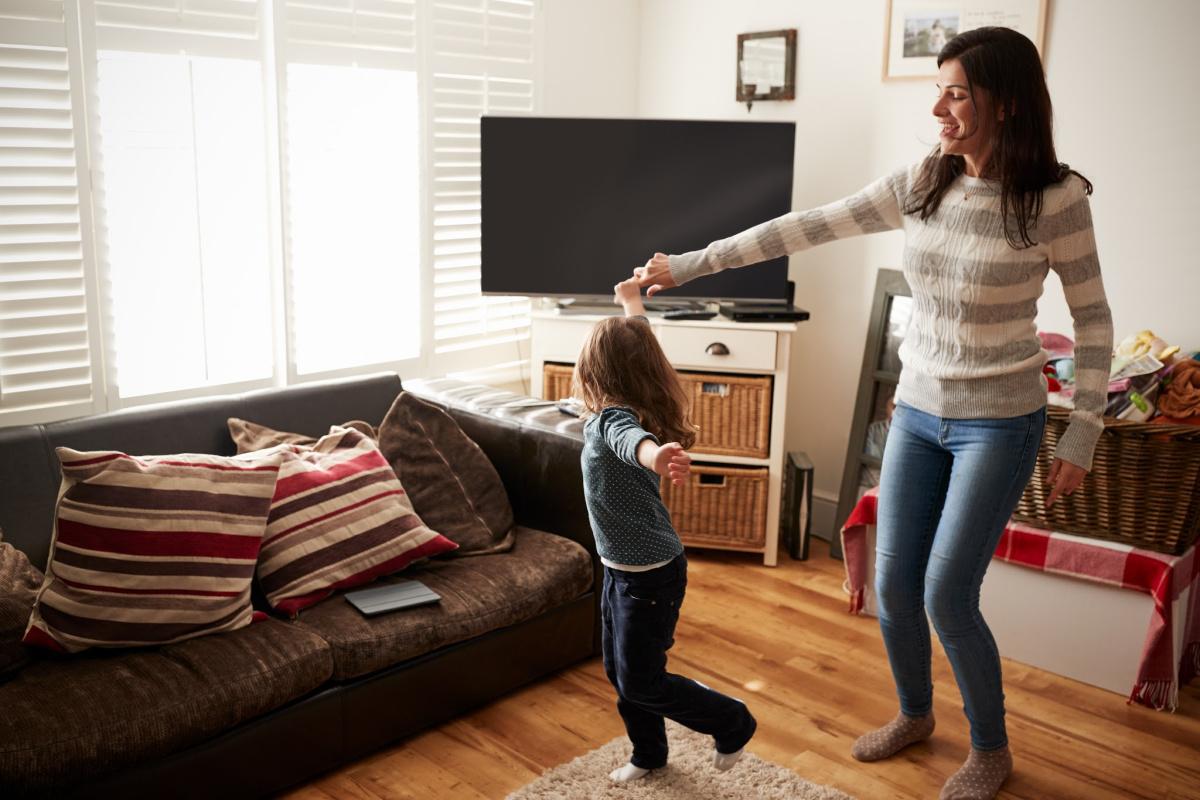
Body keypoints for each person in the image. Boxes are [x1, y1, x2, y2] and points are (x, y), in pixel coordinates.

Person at [632, 26, 1112, 800]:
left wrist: (1083, 431)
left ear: (1007, 103)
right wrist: (692, 265)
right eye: (938, 90)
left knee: (947, 593)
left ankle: (990, 748)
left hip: (999, 421)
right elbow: (805, 225)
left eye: (957, 93)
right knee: (893, 585)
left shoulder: (1057, 200)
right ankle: (915, 713)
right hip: (918, 411)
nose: (939, 108)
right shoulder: (923, 181)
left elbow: (1093, 322)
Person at [573, 276, 757, 783]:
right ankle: (649, 754)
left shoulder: (614, 420)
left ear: (593, 370)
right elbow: (639, 340)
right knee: (622, 673)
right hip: (622, 570)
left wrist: (656, 456)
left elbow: (631, 440)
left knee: (641, 680)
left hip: (649, 577)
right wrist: (631, 302)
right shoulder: (632, 401)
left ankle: (732, 721)